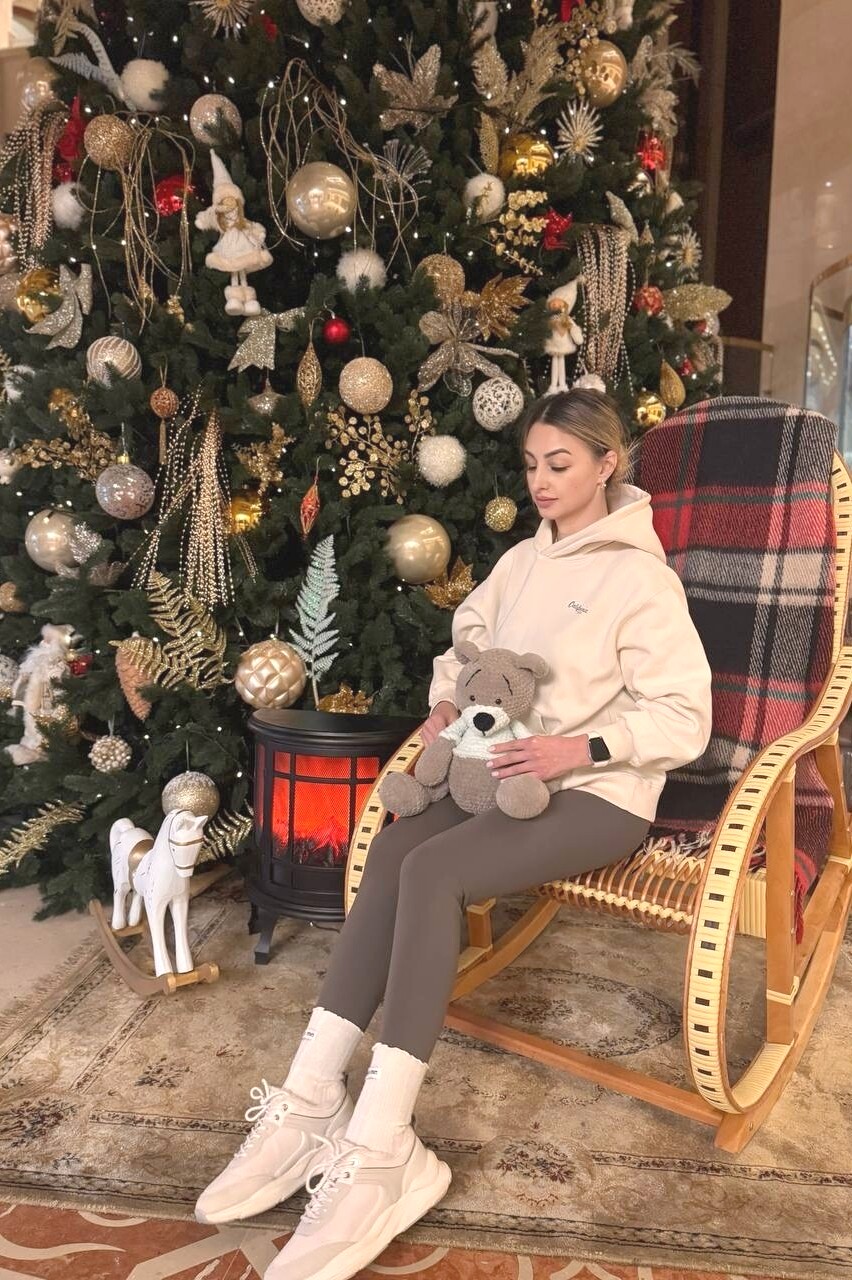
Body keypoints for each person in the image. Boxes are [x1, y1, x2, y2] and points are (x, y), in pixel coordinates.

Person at [195, 386, 714, 1280]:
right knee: (398, 847)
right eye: (531, 463)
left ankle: (386, 1145)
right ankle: (312, 1096)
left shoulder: (642, 580)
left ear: (606, 464)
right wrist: (446, 704)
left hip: (599, 795)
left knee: (435, 874)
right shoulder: (522, 562)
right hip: (499, 773)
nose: (541, 480)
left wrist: (582, 747)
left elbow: (686, 716)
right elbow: (466, 642)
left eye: (560, 464)